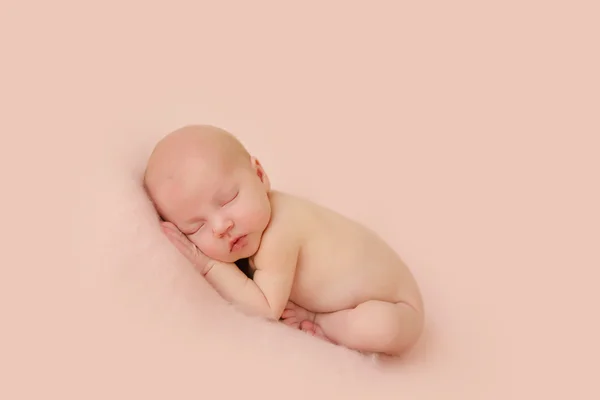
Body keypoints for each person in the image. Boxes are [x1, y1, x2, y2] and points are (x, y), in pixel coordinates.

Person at [143, 124, 424, 357]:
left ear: (260, 175)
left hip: (395, 306)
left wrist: (206, 265)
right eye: (196, 227)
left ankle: (319, 321)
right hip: (373, 292)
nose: (220, 227)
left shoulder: (279, 232)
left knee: (382, 328)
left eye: (228, 199)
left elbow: (264, 307)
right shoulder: (254, 223)